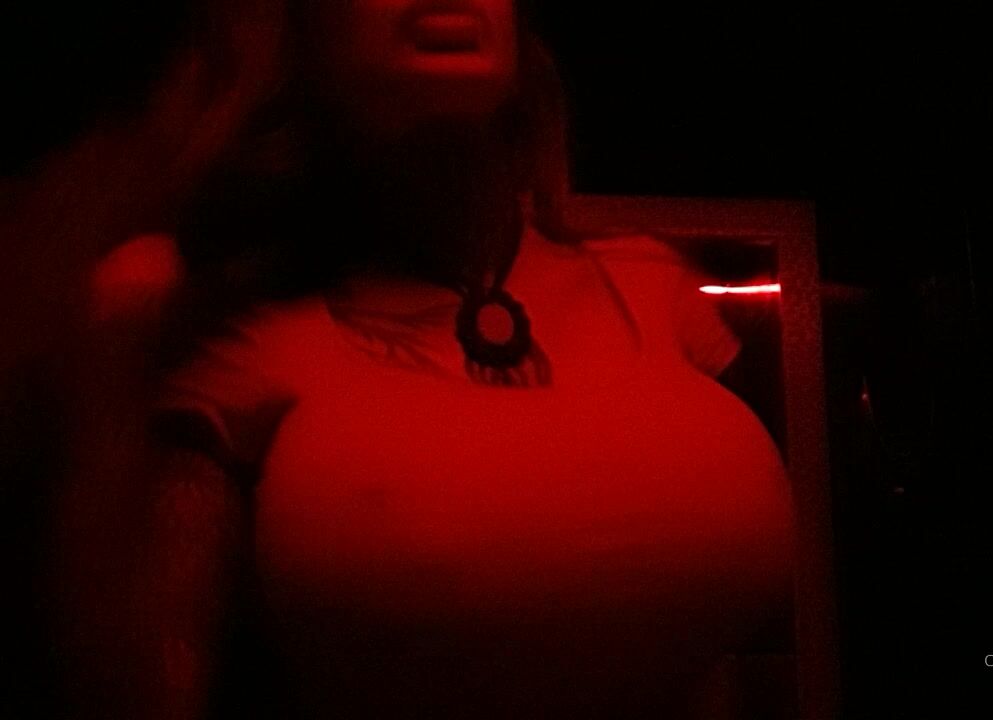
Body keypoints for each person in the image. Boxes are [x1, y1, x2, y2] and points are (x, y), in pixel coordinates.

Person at [56, 1, 797, 717]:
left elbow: (725, 662)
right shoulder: (251, 338)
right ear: (302, 34)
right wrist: (111, 363)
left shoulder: (652, 287)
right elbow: (147, 686)